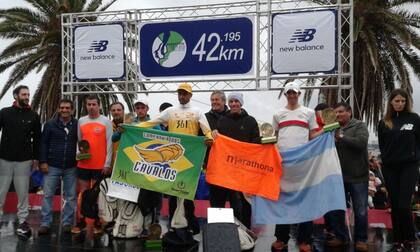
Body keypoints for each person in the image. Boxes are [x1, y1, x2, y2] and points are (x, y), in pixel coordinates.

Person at [138, 83, 212, 234]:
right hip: (173, 159)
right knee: (172, 193)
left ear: (190, 95)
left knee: (188, 194)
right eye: (180, 93)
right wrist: (133, 128)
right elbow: (151, 123)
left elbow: (207, 131)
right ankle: (173, 225)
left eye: (185, 94)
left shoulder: (197, 112)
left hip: (190, 159)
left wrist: (209, 138)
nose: (182, 96)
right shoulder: (170, 111)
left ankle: (191, 226)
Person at [271, 82, 321, 252]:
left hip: (303, 162)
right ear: (285, 95)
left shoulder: (309, 113)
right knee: (283, 201)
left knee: (304, 200)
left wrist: (327, 130)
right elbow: (273, 136)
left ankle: (305, 240)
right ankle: (281, 238)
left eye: (295, 93)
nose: (292, 96)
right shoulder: (278, 114)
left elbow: (313, 134)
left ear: (299, 94)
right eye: (289, 93)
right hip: (283, 163)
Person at [378, 88, 420, 252]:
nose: (400, 103)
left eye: (403, 101)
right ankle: (398, 240)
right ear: (391, 102)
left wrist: (415, 157)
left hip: (409, 166)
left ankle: (409, 238)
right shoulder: (384, 122)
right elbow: (382, 146)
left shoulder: (414, 119)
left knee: (403, 205)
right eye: (397, 101)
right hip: (390, 167)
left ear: (406, 102)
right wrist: (387, 160)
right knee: (395, 205)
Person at [324, 102, 369, 251]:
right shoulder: (330, 128)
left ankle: (361, 239)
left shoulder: (359, 126)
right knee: (336, 209)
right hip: (337, 178)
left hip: (358, 177)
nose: (338, 115)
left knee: (361, 210)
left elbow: (361, 144)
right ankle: (340, 237)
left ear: (349, 112)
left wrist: (341, 137)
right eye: (335, 113)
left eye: (341, 112)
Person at [211, 92, 260, 229]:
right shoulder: (222, 121)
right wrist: (214, 135)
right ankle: (219, 232)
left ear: (241, 103)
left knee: (243, 203)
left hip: (244, 170)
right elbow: (217, 143)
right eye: (231, 102)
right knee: (219, 201)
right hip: (225, 170)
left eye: (236, 101)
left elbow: (256, 143)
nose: (233, 104)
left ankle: (245, 232)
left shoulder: (251, 121)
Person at [0, 85, 41, 237]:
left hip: (24, 161)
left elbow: (37, 140)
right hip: (4, 159)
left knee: (23, 193)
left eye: (28, 94)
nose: (27, 97)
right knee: (0, 191)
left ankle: (23, 222)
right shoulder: (4, 112)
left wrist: (36, 158)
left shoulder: (34, 116)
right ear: (16, 96)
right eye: (24, 94)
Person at [72, 95, 113, 234]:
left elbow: (110, 145)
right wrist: (78, 154)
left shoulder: (106, 121)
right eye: (88, 104)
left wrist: (107, 163)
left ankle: (97, 221)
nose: (91, 107)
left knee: (96, 195)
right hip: (83, 164)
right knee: (83, 194)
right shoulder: (81, 121)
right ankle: (81, 220)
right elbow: (79, 141)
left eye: (94, 104)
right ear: (86, 105)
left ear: (99, 105)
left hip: (99, 166)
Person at [38, 99, 78, 235]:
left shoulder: (78, 124)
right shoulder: (49, 124)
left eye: (67, 108)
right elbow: (43, 143)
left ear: (72, 109)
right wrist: (42, 161)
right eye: (62, 107)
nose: (64, 110)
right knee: (48, 195)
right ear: (58, 109)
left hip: (71, 166)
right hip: (52, 165)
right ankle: (45, 223)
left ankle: (67, 222)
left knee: (71, 196)